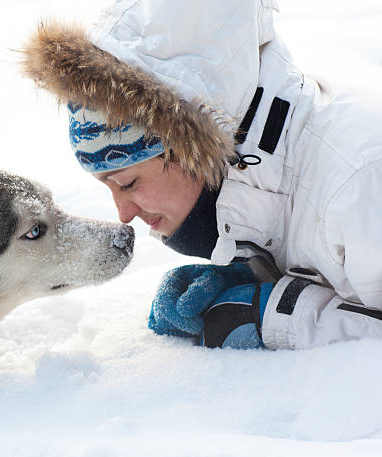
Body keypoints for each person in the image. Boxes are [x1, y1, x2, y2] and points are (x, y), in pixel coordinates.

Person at [21, 0, 382, 350]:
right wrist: (254, 274)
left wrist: (278, 316)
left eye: (129, 183)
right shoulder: (271, 166)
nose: (123, 214)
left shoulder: (361, 184)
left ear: (189, 146)